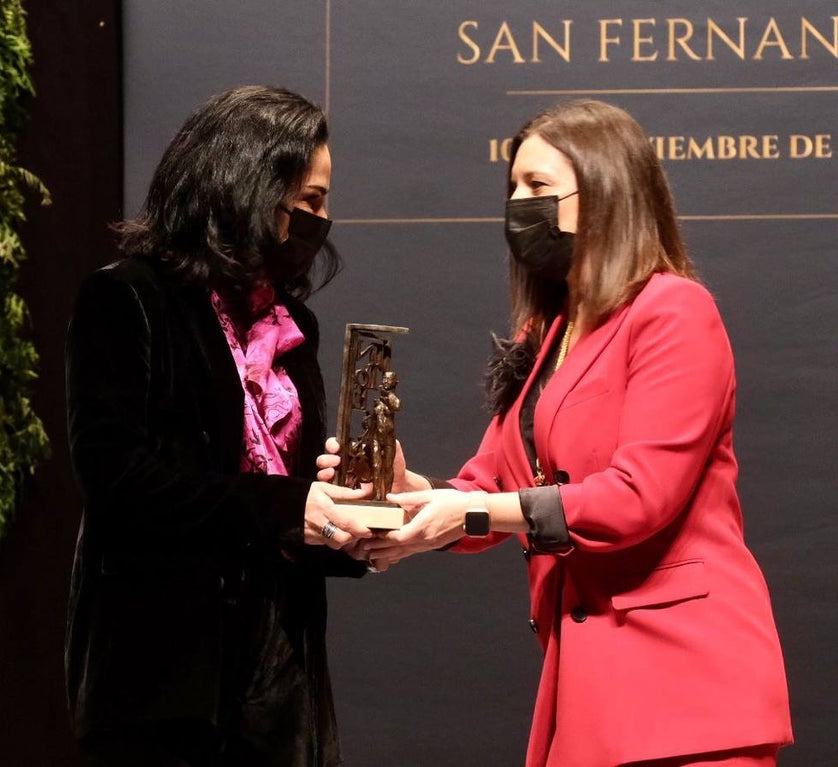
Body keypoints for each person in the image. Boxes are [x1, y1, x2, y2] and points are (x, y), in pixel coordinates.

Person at [319, 99, 793, 766]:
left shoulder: (674, 311)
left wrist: (472, 509)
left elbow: (637, 495)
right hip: (587, 688)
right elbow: (490, 484)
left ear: (604, 193)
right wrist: (409, 496)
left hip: (684, 686)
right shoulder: (548, 334)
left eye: (538, 188)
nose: (518, 203)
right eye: (514, 187)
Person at [64, 85, 374, 767]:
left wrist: (352, 525)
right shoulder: (127, 298)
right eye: (310, 200)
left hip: (280, 679)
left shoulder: (293, 323)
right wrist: (291, 504)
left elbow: (292, 501)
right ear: (250, 184)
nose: (320, 220)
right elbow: (121, 480)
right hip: (166, 682)